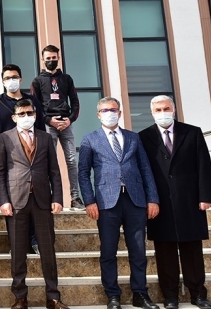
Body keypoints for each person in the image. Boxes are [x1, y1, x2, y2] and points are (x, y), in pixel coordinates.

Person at [78, 97, 160, 309]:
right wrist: (89, 201)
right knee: (108, 251)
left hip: (135, 200)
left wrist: (152, 198)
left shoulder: (133, 138)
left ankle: (140, 294)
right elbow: (83, 173)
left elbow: (145, 169)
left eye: (113, 109)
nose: (110, 113)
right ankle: (113, 295)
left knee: (138, 250)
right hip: (106, 202)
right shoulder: (90, 139)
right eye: (105, 110)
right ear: (98, 115)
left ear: (120, 113)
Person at [138, 95, 211, 309]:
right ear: (152, 113)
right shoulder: (143, 137)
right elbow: (143, 172)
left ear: (173, 109)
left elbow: (204, 165)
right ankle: (170, 296)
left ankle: (198, 295)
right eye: (158, 110)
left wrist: (205, 196)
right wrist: (148, 200)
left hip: (189, 201)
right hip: (159, 204)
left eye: (166, 108)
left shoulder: (192, 132)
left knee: (193, 250)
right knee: (165, 252)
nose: (163, 113)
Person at [0, 99, 69, 309]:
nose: (26, 116)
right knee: (18, 252)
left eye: (29, 113)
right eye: (22, 113)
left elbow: (54, 170)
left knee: (47, 251)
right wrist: (3, 201)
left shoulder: (45, 138)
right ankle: (20, 297)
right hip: (16, 201)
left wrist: (57, 198)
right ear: (14, 117)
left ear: (35, 115)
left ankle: (53, 297)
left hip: (42, 200)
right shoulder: (4, 138)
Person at [0, 63, 45, 255]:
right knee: (14, 202)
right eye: (7, 78)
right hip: (9, 158)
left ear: (20, 79)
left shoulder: (32, 101)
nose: (11, 81)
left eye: (14, 77)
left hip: (32, 157)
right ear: (2, 81)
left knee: (35, 199)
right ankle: (17, 243)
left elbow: (41, 128)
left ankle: (35, 240)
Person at [31, 45, 84, 210]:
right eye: (48, 58)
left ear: (58, 58)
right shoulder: (37, 81)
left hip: (66, 124)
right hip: (49, 125)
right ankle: (53, 198)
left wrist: (70, 120)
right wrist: (48, 120)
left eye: (54, 58)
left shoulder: (66, 79)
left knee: (72, 160)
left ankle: (75, 197)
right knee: (49, 162)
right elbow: (35, 106)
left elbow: (75, 102)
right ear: (43, 59)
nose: (51, 61)